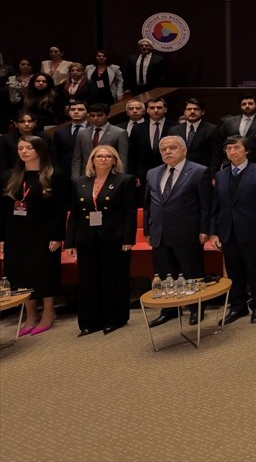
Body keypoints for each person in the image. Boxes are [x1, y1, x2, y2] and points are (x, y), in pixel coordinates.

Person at [64, 145, 137, 335]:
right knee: (88, 280)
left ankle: (115, 318)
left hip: (115, 237)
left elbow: (130, 213)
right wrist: (70, 242)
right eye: (99, 156)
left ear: (114, 160)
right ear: (92, 160)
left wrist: (128, 239)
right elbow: (74, 214)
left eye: (108, 156)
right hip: (86, 238)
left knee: (113, 279)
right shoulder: (79, 182)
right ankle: (90, 322)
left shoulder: (124, 180)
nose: (103, 159)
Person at [0, 136, 68, 335]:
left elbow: (60, 208)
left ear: (39, 150)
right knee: (19, 273)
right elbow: (2, 210)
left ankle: (48, 312)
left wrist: (57, 236)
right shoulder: (8, 176)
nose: (23, 151)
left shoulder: (56, 175)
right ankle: (30, 315)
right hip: (15, 232)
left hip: (44, 231)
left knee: (44, 271)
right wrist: (2, 238)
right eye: (20, 148)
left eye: (28, 147)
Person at [144, 135, 212, 327]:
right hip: (160, 233)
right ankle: (169, 310)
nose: (168, 152)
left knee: (192, 274)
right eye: (163, 149)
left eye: (172, 148)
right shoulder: (152, 173)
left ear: (184, 150)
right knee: (165, 275)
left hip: (187, 232)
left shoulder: (199, 171)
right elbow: (148, 205)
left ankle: (195, 308)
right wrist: (148, 230)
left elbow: (206, 205)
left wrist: (205, 229)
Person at [209, 137, 256, 325]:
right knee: (234, 272)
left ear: (246, 151)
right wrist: (213, 232)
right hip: (227, 231)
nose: (232, 151)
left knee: (255, 271)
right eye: (228, 148)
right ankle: (238, 307)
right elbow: (216, 206)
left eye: (236, 147)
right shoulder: (221, 175)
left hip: (252, 230)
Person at [72, 103, 130, 180]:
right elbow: (77, 159)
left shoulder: (119, 133)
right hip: (86, 175)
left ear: (108, 115)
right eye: (92, 116)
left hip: (111, 175)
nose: (96, 118)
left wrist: (120, 179)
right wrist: (75, 178)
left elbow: (123, 159)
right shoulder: (82, 133)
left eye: (99, 115)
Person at [170, 98, 223, 177]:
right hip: (179, 173)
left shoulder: (212, 129)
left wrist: (213, 175)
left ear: (203, 112)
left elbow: (217, 155)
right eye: (189, 109)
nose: (192, 111)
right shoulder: (174, 130)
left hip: (203, 173)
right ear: (184, 112)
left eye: (196, 109)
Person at [220, 95, 256, 163]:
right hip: (232, 161)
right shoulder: (229, 121)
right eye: (244, 104)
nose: (247, 106)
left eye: (250, 103)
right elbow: (221, 142)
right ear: (240, 106)